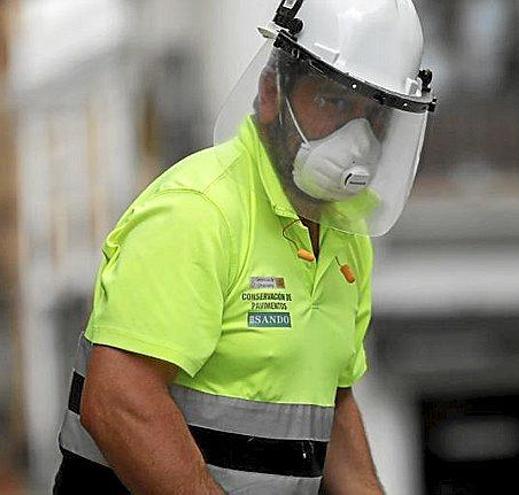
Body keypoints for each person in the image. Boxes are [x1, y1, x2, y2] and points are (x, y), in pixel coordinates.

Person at [53, 0, 436, 493]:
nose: (358, 138)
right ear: (272, 93)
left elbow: (332, 406)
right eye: (335, 102)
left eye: (375, 114)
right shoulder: (197, 212)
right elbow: (118, 401)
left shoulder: (344, 237)